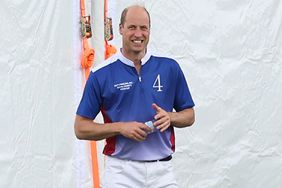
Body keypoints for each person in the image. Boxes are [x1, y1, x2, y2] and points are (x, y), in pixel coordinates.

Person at [74, 4, 195, 188]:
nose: (138, 34)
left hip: (162, 171)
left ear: (149, 30)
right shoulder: (100, 74)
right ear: (121, 28)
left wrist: (170, 117)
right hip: (121, 173)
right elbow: (81, 128)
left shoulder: (170, 67)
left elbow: (189, 115)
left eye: (143, 28)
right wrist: (121, 128)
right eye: (132, 27)